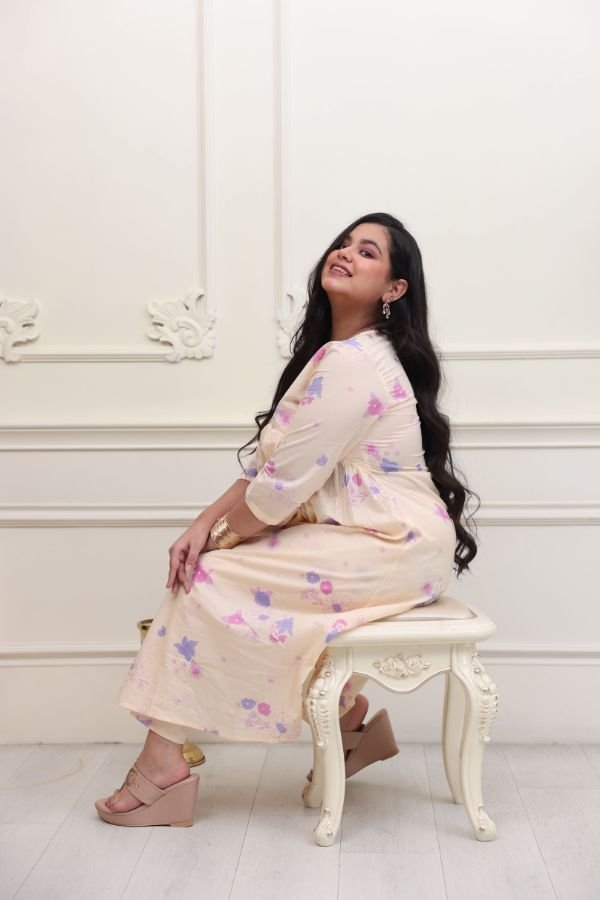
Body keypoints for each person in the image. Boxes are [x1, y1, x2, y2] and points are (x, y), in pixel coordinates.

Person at [95, 211, 478, 827]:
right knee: (214, 564)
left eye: (368, 252)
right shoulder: (337, 356)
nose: (345, 253)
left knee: (208, 577)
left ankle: (163, 766)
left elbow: (277, 494)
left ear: (394, 288)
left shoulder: (355, 363)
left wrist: (216, 542)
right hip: (380, 538)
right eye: (343, 244)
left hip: (392, 545)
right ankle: (350, 726)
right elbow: (270, 468)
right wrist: (203, 524)